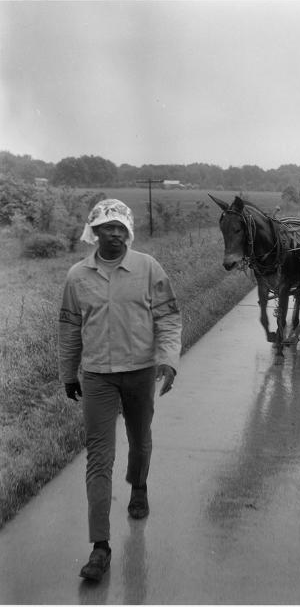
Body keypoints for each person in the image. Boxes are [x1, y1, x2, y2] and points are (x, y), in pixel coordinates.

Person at [58, 199, 182, 581]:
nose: (113, 233)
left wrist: (168, 358)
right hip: (98, 375)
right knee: (99, 456)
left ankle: (139, 486)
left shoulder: (148, 268)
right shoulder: (77, 276)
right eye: (106, 227)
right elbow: (68, 327)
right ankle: (100, 547)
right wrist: (68, 373)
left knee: (140, 439)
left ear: (128, 232)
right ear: (93, 231)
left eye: (120, 227)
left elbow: (169, 317)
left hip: (141, 371)